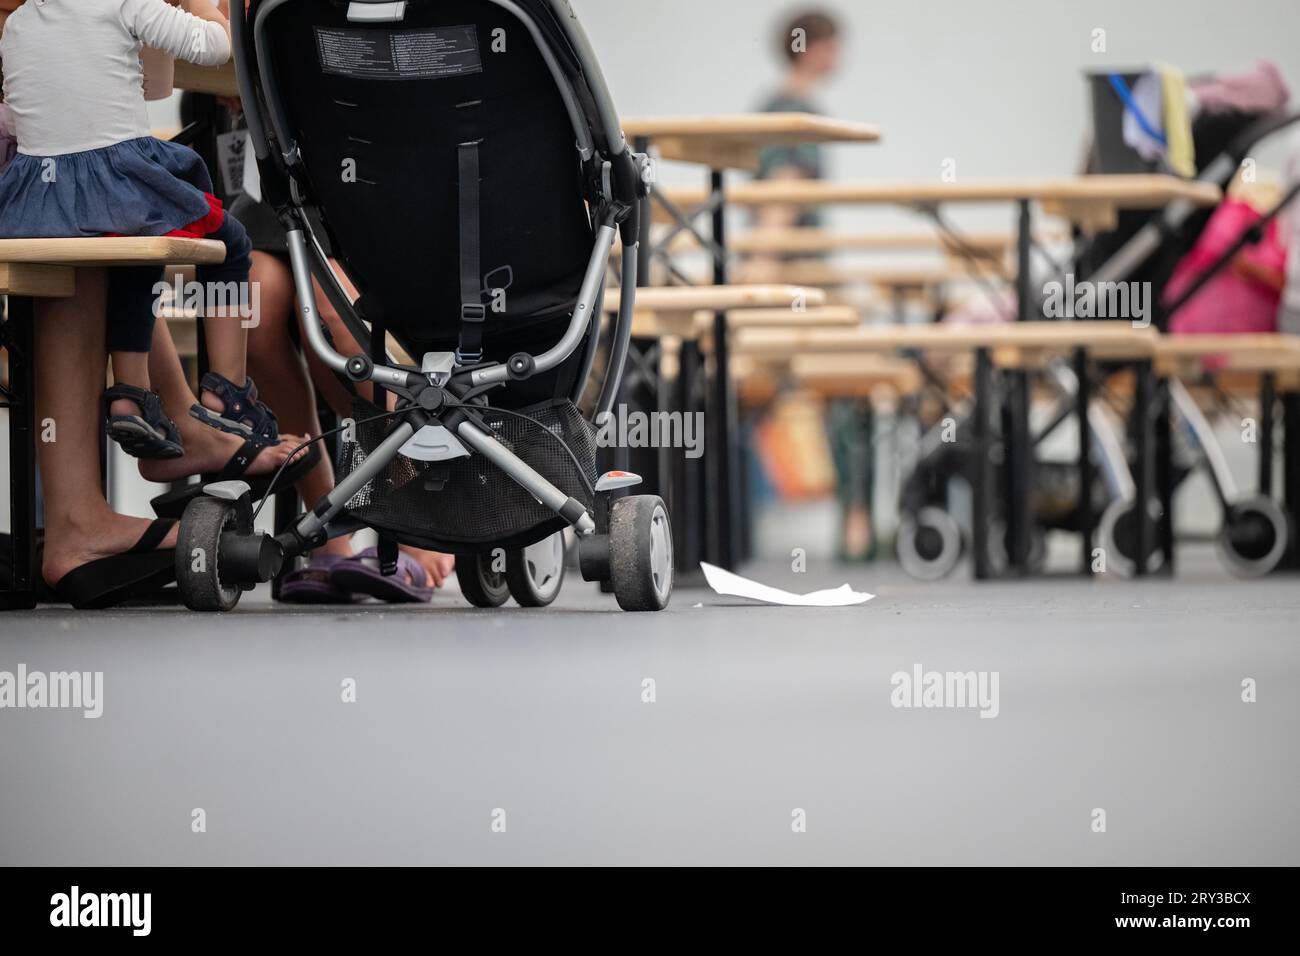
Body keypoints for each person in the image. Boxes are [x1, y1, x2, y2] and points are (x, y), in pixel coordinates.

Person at [0, 0, 306, 605]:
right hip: (113, 181)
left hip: (34, 193)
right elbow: (212, 52)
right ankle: (225, 392)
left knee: (118, 243)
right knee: (218, 241)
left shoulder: (17, 23)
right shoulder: (124, 4)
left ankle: (145, 403)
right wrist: (204, 11)